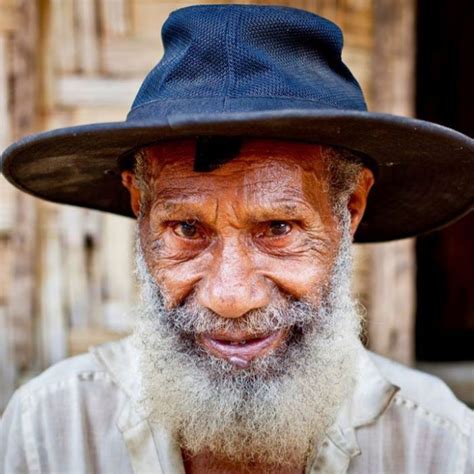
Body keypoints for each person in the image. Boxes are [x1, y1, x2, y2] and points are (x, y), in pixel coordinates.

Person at [1, 4, 473, 473]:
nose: (230, 297)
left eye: (277, 229)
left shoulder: (440, 448)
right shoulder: (48, 431)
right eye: (187, 229)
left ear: (349, 211)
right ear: (138, 208)